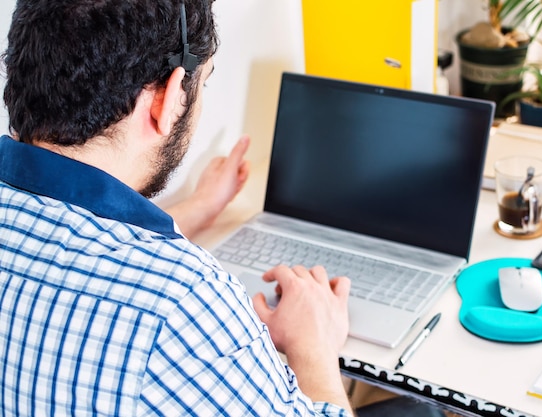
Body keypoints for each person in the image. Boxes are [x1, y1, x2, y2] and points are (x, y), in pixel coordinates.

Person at [0, 0, 353, 415]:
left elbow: (72, 245)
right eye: (203, 84)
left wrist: (200, 208)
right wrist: (314, 345)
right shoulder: (184, 300)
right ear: (166, 100)